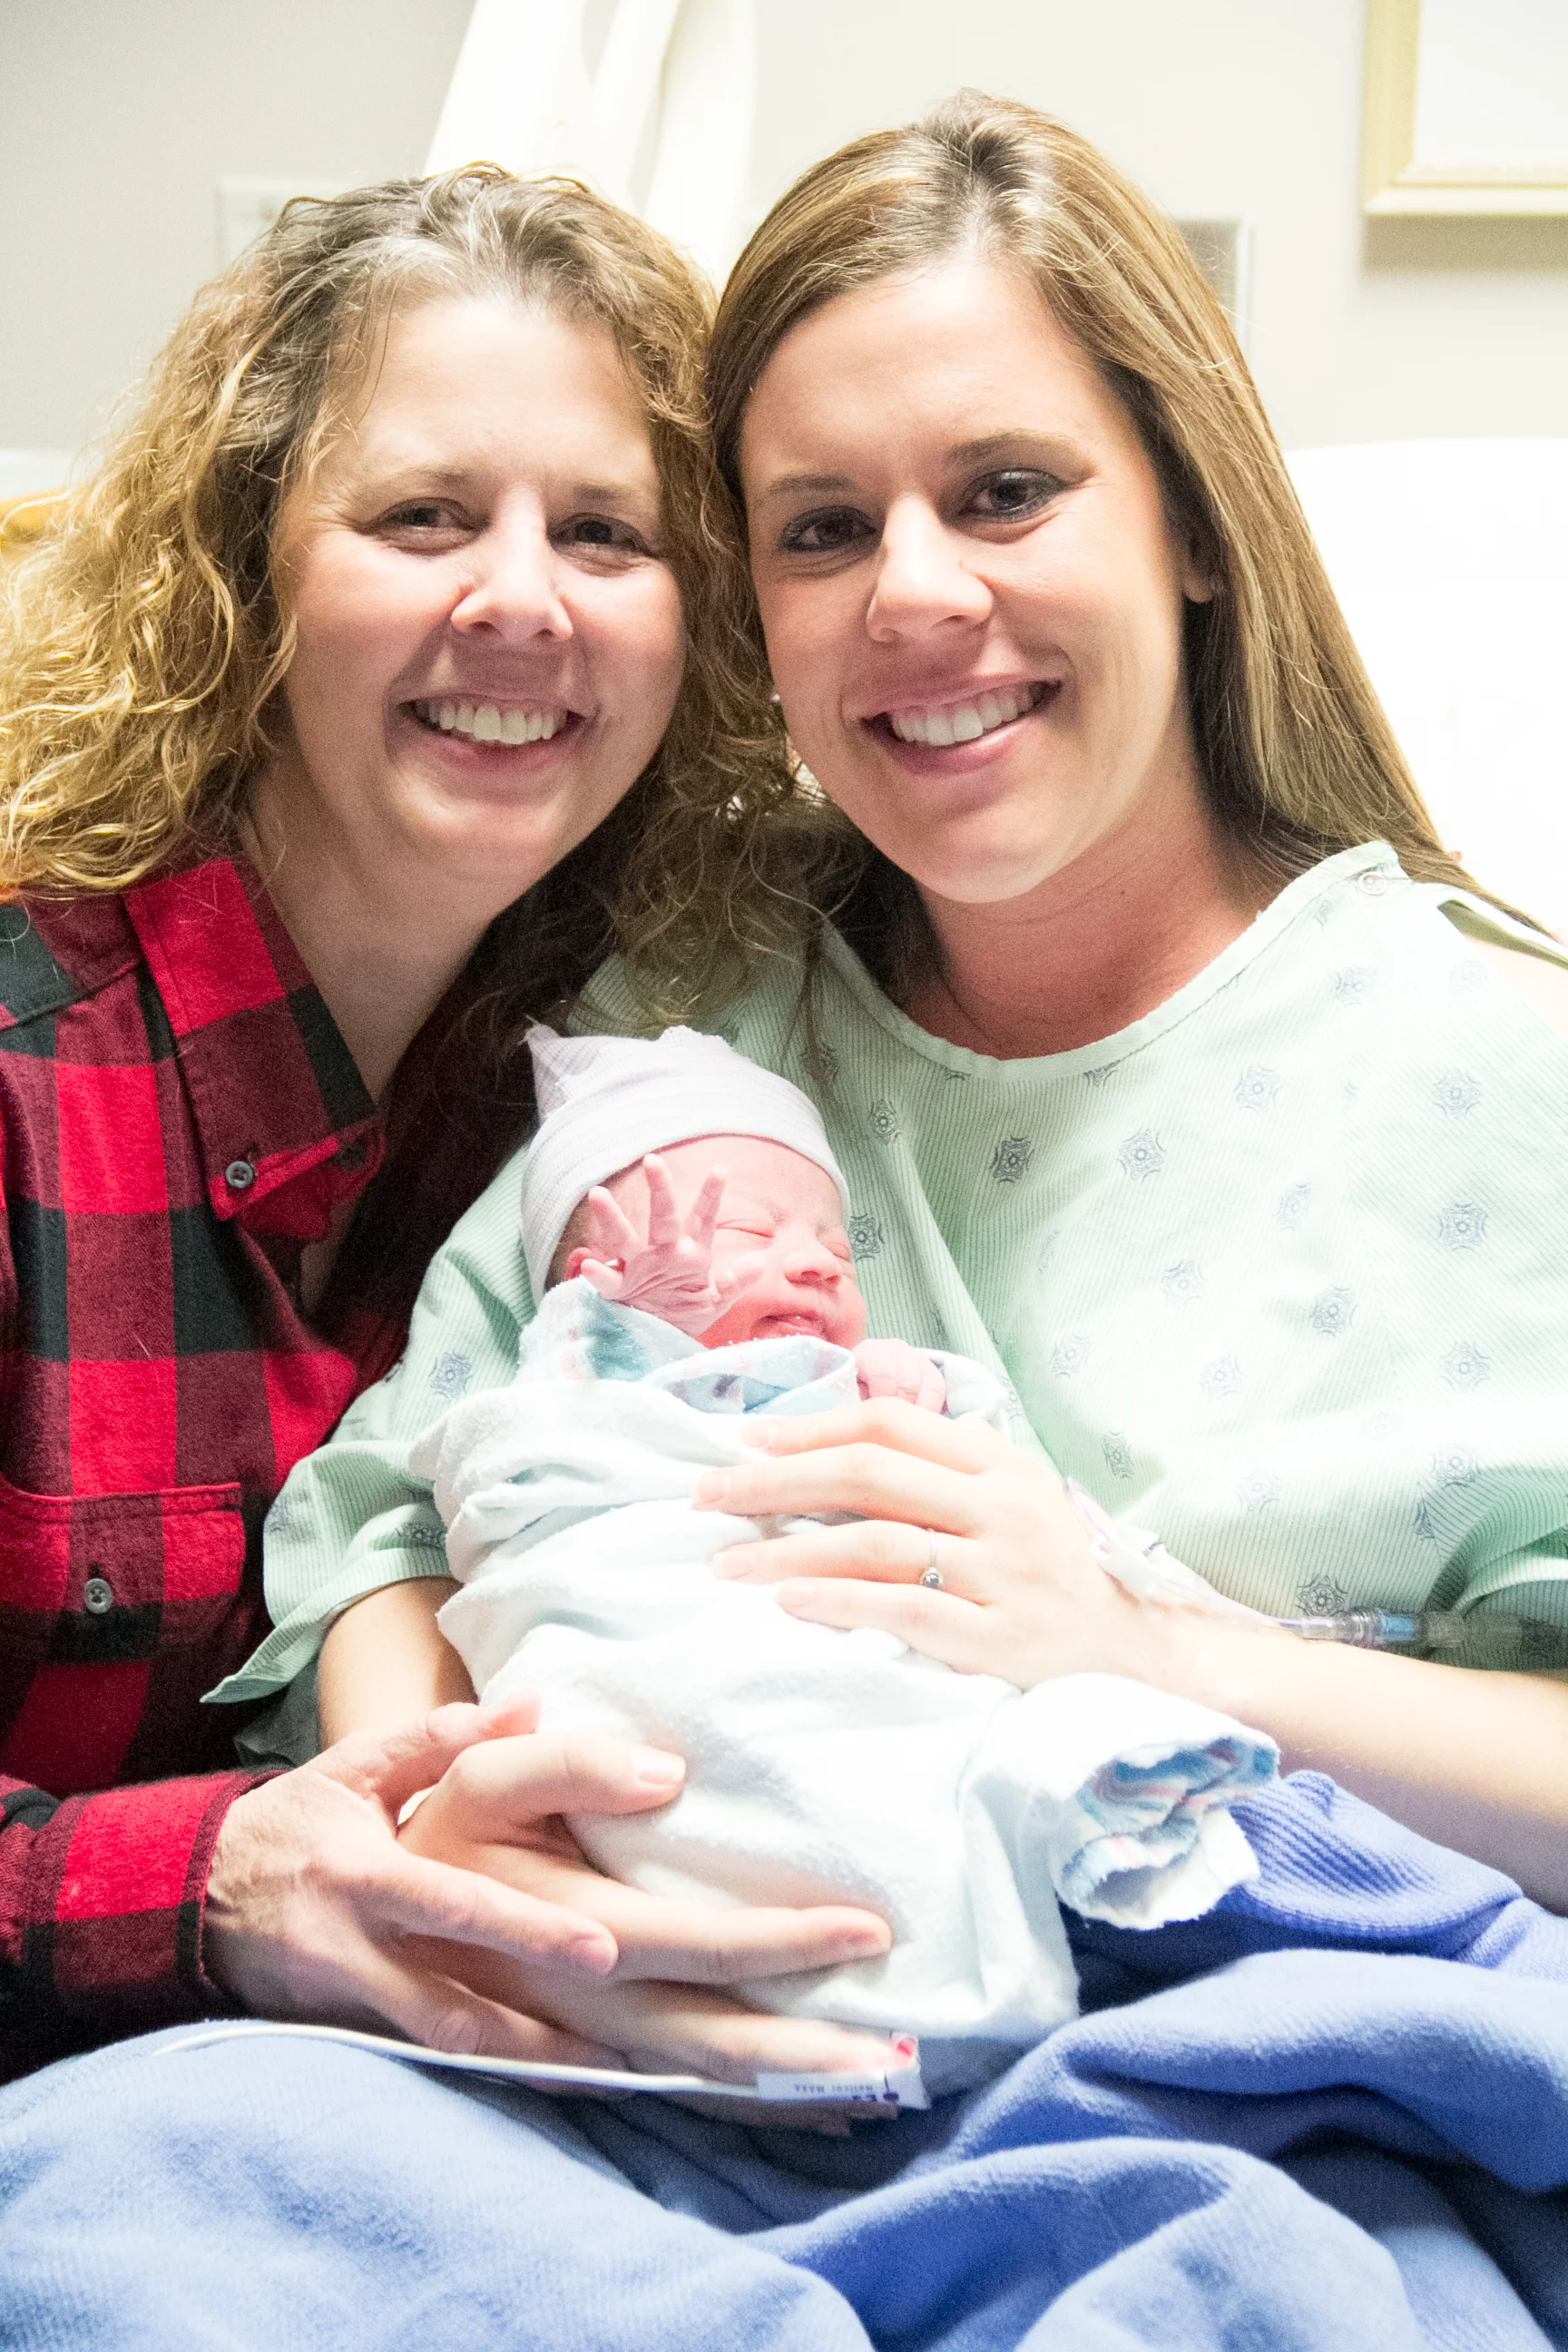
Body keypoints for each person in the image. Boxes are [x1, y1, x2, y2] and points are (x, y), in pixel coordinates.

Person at [8, 95, 1568, 2351]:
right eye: (823, 528)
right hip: (576, 2056)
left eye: (1006, 490)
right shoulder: (685, 1013)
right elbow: (387, 1511)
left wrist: (1161, 1663)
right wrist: (455, 1836)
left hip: (1193, 2065)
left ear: (1197, 527)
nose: (915, 594)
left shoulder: (1496, 1072)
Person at [0, 163, 897, 2084]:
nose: (520, 598)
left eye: (604, 531)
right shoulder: (23, 1078)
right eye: (422, 516)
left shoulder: (634, 1095)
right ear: (245, 563)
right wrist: (217, 1880)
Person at [375, 1022, 1273, 2096]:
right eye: (748, 1230)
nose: (811, 1261)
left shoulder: (857, 1382)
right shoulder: (582, 1387)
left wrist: (924, 1403)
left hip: (879, 1665)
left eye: (838, 1254)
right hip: (669, 1650)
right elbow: (525, 1462)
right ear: (593, 1271)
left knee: (1023, 1739)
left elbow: (1001, 1506)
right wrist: (623, 1327)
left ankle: (1025, 1869)